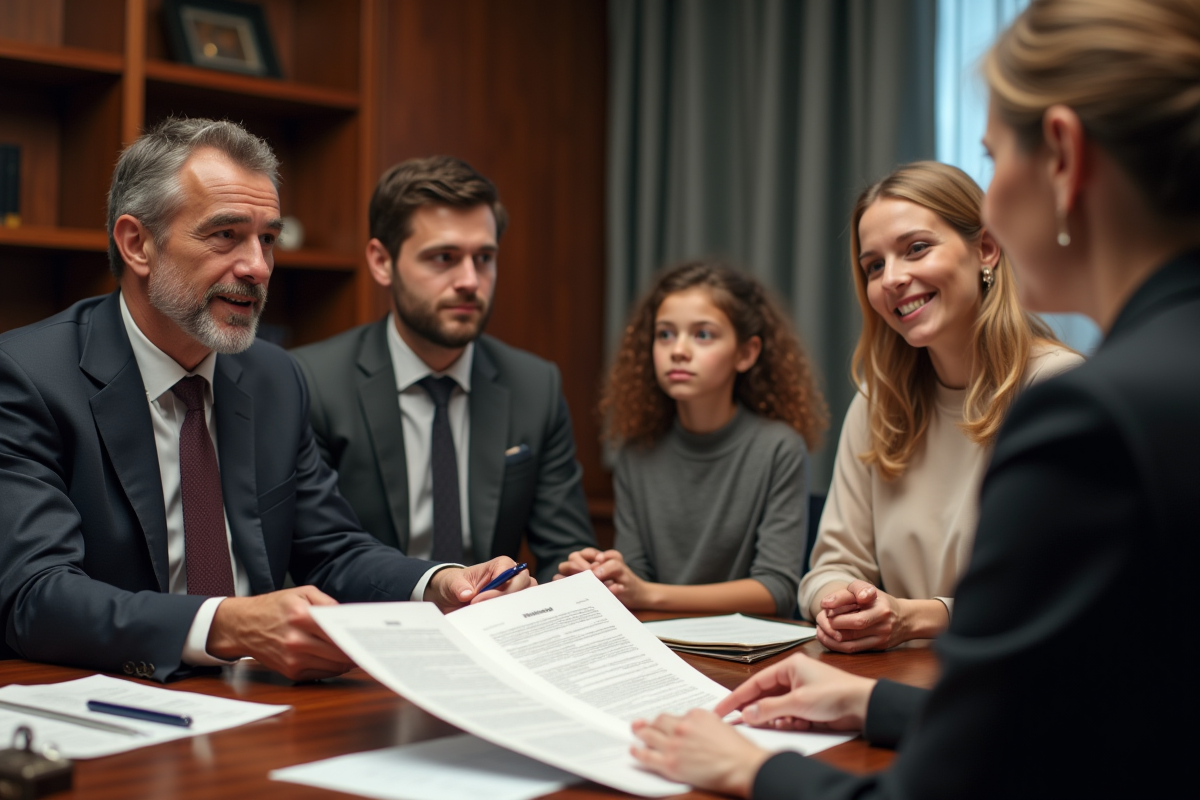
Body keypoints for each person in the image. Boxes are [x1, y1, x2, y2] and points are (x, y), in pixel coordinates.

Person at [628, 0, 1200, 796]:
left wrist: (756, 771)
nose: (993, 195)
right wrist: (875, 700)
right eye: (872, 264)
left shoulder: (1086, 409)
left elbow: (972, 773)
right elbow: (1077, 714)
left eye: (994, 160)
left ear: (1064, 155)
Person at [0, 119, 532, 683]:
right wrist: (226, 626)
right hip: (114, 697)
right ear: (137, 244)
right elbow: (36, 594)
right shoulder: (30, 376)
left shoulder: (275, 376)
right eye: (225, 234)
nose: (257, 266)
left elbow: (331, 550)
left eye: (268, 238)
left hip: (266, 698)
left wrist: (442, 584)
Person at [798, 161, 1079, 653]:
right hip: (896, 681)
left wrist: (919, 617)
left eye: (916, 249)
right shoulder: (875, 405)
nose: (892, 279)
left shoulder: (1059, 389)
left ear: (986, 249)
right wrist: (844, 602)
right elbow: (830, 566)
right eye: (874, 266)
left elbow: (1058, 588)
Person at [291, 157, 595, 585]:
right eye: (444, 257)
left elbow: (564, 549)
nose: (470, 280)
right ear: (382, 261)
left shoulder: (534, 385)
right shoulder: (312, 382)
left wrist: (580, 575)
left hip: (494, 628)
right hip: (367, 630)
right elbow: (314, 559)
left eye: (484, 258)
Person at [558, 261, 827, 617]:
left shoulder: (778, 447)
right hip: (661, 643)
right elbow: (636, 576)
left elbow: (776, 590)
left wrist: (647, 594)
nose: (678, 350)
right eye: (665, 334)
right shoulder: (637, 453)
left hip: (747, 651)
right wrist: (606, 572)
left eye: (703, 335)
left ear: (746, 353)